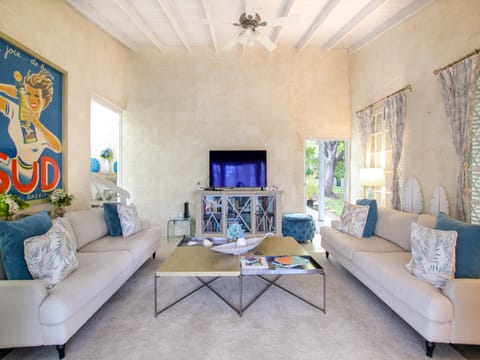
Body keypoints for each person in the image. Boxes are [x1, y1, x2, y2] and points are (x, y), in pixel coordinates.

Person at [0, 70, 61, 179]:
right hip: (10, 166)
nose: (32, 99)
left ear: (45, 101)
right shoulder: (16, 110)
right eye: (28, 93)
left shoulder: (42, 132)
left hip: (24, 176)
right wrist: (6, 89)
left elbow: (58, 147)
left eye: (37, 95)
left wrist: (35, 122)